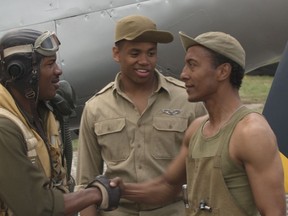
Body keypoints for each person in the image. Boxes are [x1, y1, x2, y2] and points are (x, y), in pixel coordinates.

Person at [112, 31, 287, 216]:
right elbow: (166, 187)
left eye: (192, 65)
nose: (184, 74)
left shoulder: (251, 132)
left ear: (222, 71)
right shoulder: (196, 129)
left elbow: (274, 212)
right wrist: (117, 190)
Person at [76, 15, 206, 216]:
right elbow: (85, 184)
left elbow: (205, 174)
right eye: (135, 53)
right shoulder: (95, 108)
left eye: (151, 53)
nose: (144, 61)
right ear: (116, 54)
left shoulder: (187, 101)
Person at [0, 28, 120, 216]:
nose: (59, 70)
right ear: (22, 72)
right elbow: (36, 207)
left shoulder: (42, 115)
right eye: (50, 64)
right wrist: (97, 192)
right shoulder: (5, 128)